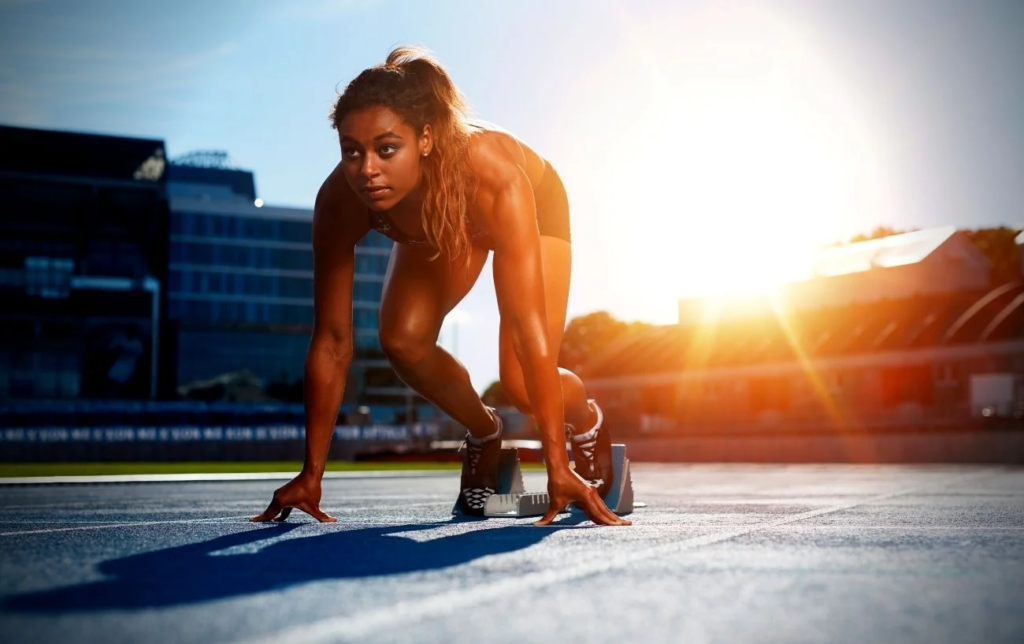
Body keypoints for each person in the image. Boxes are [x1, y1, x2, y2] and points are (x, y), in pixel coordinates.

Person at [251, 46, 630, 527]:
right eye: (352, 151)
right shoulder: (340, 201)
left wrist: (556, 466)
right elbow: (330, 341)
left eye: (387, 149)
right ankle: (485, 432)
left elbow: (526, 327)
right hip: (442, 221)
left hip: (526, 202)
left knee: (520, 382)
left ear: (425, 138)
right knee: (402, 341)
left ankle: (588, 421)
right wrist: (311, 472)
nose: (367, 170)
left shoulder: (490, 173)